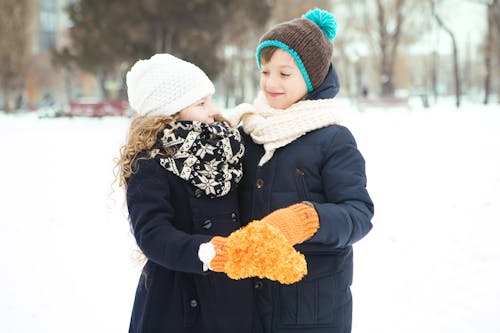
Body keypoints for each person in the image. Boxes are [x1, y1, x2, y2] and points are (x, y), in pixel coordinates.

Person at [227, 8, 375, 333]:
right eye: (265, 72)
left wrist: (308, 220)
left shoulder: (333, 138)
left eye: (285, 73)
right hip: (249, 305)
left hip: (311, 311)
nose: (271, 83)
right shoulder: (248, 132)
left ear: (310, 77)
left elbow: (358, 214)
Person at [117, 53, 258, 333]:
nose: (212, 111)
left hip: (230, 296)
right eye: (201, 103)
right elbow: (152, 233)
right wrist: (203, 252)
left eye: (210, 100)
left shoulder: (225, 150)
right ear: (170, 111)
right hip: (177, 300)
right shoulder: (149, 163)